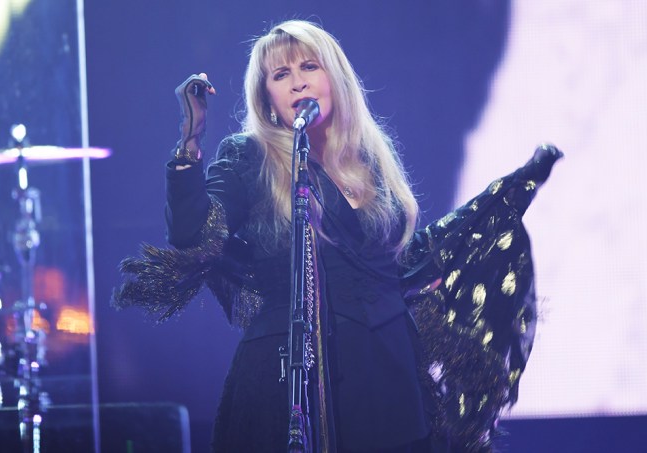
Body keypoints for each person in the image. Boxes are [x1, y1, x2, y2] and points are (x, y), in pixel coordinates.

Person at [113, 20, 561, 452]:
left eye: (310, 67)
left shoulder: (369, 162)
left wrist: (497, 202)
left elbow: (397, 264)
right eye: (281, 74)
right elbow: (195, 235)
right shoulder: (250, 157)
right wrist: (191, 139)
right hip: (292, 377)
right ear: (267, 97)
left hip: (386, 370)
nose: (298, 83)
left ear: (335, 78)